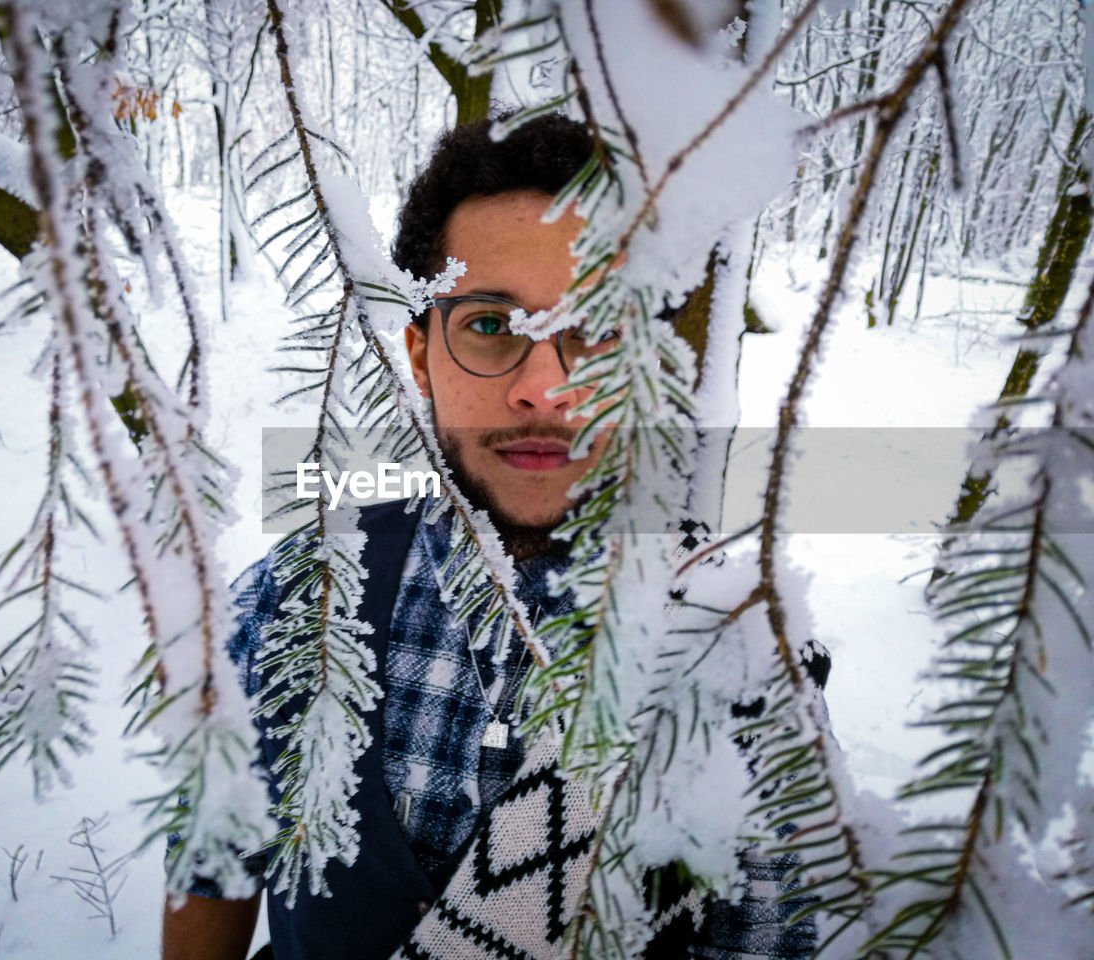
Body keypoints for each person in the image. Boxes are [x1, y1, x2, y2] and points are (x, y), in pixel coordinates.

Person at [162, 112, 822, 960]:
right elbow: (213, 865)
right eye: (488, 325)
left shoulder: (734, 652)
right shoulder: (295, 599)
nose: (546, 391)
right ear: (420, 353)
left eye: (600, 326)